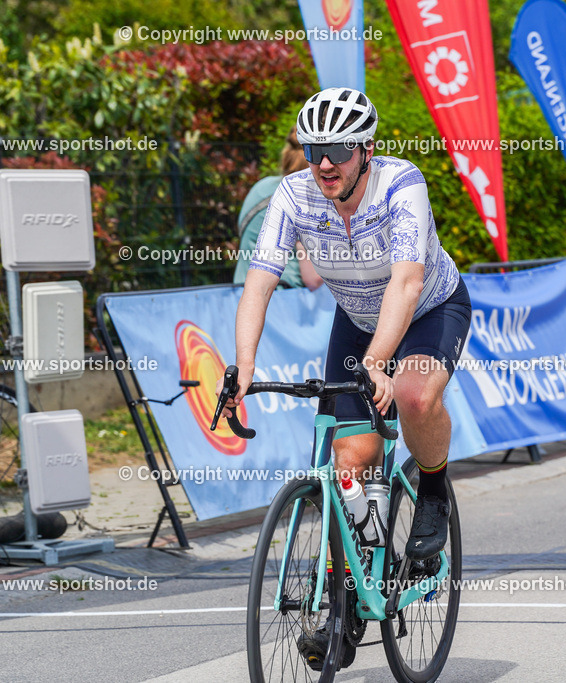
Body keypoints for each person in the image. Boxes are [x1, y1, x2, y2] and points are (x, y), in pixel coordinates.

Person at [220, 87, 471, 669]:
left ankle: (431, 488)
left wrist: (382, 362)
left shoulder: (401, 184)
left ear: (366, 149)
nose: (324, 162)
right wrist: (244, 366)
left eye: (336, 148)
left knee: (412, 394)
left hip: (429, 308)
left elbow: (407, 284)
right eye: (313, 149)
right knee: (350, 458)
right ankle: (349, 604)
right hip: (358, 318)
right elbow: (259, 281)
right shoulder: (294, 194)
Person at [233, 129, 322, 291]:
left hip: (242, 292)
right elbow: (313, 279)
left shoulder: (261, 187)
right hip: (283, 299)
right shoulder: (302, 197)